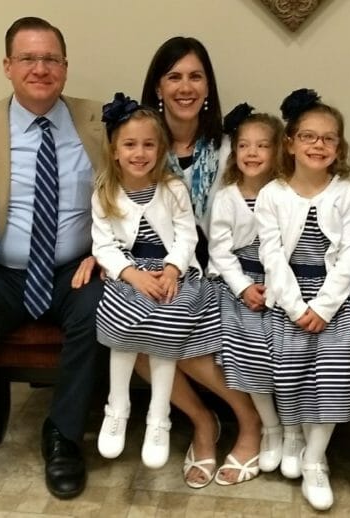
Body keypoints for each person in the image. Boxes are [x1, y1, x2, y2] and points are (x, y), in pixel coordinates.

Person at [0, 16, 105, 503]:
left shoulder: (101, 120)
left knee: (102, 314)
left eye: (50, 59)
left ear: (66, 67)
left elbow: (136, 181)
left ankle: (63, 435)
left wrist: (107, 254)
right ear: (7, 66)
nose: (40, 68)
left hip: (75, 267)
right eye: (28, 58)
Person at [140, 36, 262, 488]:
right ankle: (202, 421)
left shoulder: (231, 148)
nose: (185, 86)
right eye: (174, 77)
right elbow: (114, 208)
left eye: (195, 76)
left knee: (175, 325)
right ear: (158, 87)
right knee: (130, 328)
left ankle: (248, 421)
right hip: (153, 264)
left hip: (218, 265)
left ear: (208, 86)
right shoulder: (139, 145)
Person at [93, 94, 220, 470]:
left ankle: (159, 415)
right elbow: (103, 244)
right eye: (130, 145)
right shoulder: (105, 192)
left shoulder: (173, 189)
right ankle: (117, 406)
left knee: (168, 321)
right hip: (129, 273)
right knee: (121, 319)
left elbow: (187, 236)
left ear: (161, 150)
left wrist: (172, 270)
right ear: (115, 151)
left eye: (149, 145)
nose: (139, 153)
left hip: (170, 272)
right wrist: (131, 274)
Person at [255, 88, 350, 510]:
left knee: (335, 373)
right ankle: (292, 433)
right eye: (309, 136)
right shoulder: (272, 194)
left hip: (334, 299)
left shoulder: (346, 193)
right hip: (289, 298)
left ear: (339, 147)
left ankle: (316, 458)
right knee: (290, 368)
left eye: (328, 138)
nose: (319, 145)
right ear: (291, 143)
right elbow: (271, 255)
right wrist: (298, 307)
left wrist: (324, 307)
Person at [207, 104, 285, 478]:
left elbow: (290, 248)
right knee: (246, 343)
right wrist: (243, 288)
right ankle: (269, 426)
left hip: (278, 282)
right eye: (243, 145)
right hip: (236, 282)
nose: (252, 153)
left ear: (278, 151)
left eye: (262, 145)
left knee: (283, 341)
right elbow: (220, 251)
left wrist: (275, 286)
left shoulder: (286, 194)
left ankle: (292, 430)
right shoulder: (227, 197)